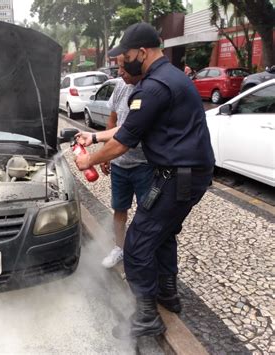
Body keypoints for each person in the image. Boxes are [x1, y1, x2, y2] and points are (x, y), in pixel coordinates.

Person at [74, 22, 214, 337]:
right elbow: (128, 129)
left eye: (125, 59)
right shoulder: (167, 78)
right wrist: (94, 136)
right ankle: (167, 294)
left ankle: (147, 317)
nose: (122, 66)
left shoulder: (155, 86)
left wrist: (88, 160)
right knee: (162, 236)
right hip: (186, 174)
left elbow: (123, 142)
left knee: (137, 245)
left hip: (178, 176)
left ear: (141, 51)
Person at [100, 55, 154, 269]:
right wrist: (107, 153)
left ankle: (143, 253)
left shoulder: (149, 89)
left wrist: (96, 156)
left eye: (123, 67)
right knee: (119, 208)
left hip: (144, 165)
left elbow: (130, 133)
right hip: (120, 164)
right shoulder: (121, 87)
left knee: (147, 212)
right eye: (118, 67)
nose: (119, 72)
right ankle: (120, 248)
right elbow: (113, 120)